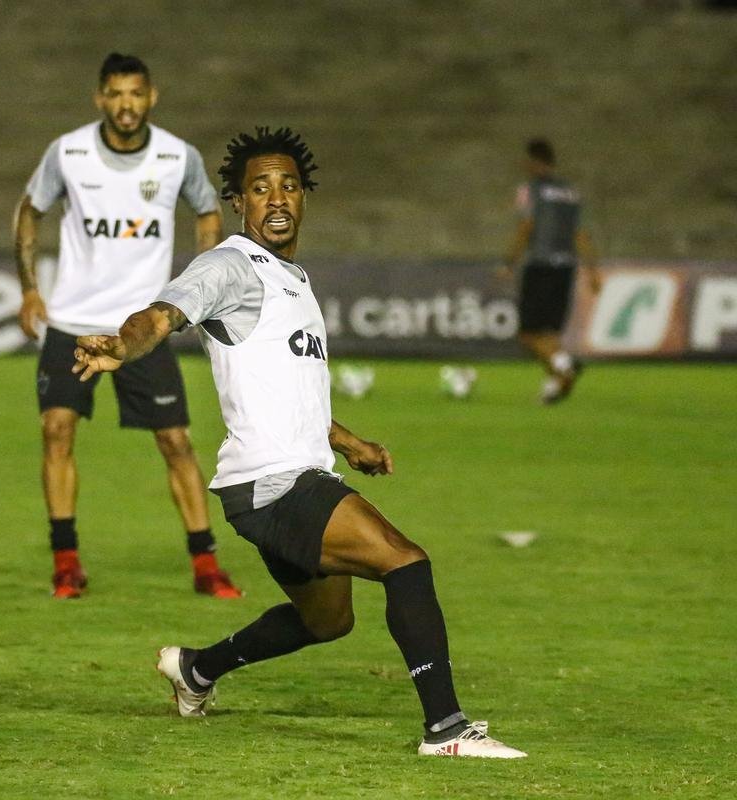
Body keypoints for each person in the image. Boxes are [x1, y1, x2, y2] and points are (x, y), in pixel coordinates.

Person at [74, 127, 526, 757]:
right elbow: (162, 315)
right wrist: (123, 346)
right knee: (406, 562)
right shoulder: (229, 265)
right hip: (275, 483)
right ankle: (446, 730)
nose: (277, 197)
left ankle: (197, 669)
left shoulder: (293, 277)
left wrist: (347, 441)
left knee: (328, 620)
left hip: (282, 478)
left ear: (304, 197)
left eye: (288, 185)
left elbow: (286, 387)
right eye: (261, 188)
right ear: (239, 202)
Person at [13, 52, 240, 600]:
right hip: (71, 322)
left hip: (142, 326)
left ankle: (206, 565)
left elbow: (208, 210)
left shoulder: (177, 156)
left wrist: (199, 285)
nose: (125, 104)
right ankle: (66, 564)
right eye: (115, 94)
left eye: (135, 93)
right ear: (100, 98)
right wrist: (29, 288)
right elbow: (30, 210)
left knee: (175, 441)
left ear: (151, 97)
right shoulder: (68, 153)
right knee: (57, 431)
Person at [500, 137, 601, 404]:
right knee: (550, 334)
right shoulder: (571, 193)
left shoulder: (529, 190)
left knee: (528, 334)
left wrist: (509, 262)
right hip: (566, 268)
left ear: (532, 161)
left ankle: (565, 364)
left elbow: (526, 226)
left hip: (540, 265)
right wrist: (593, 270)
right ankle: (554, 386)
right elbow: (580, 234)